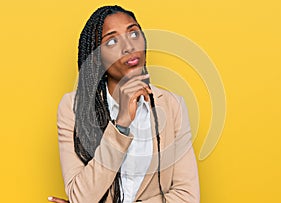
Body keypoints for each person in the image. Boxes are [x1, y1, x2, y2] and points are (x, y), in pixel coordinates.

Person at [50, 5, 200, 203]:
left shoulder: (173, 106)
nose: (129, 46)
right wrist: (120, 125)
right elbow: (81, 198)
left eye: (134, 33)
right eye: (112, 41)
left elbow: (187, 197)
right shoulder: (72, 108)